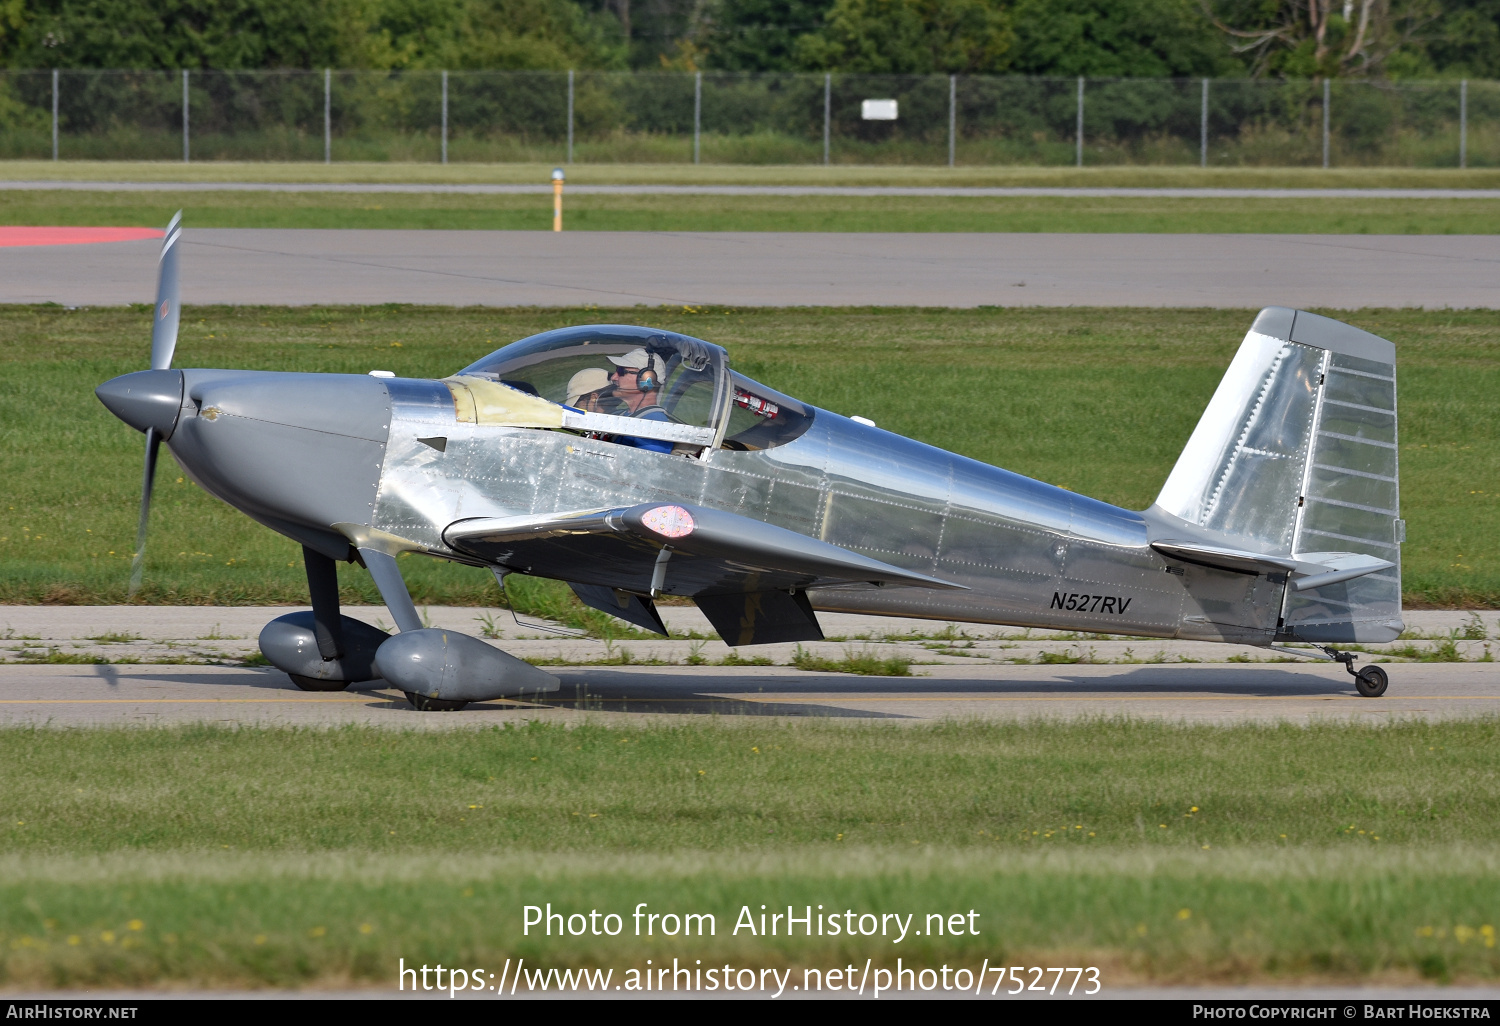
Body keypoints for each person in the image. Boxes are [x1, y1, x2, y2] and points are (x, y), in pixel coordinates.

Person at [605, 348, 675, 454]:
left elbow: (647, 467)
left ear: (647, 379)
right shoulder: (624, 414)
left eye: (621, 372)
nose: (614, 377)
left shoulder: (654, 424)